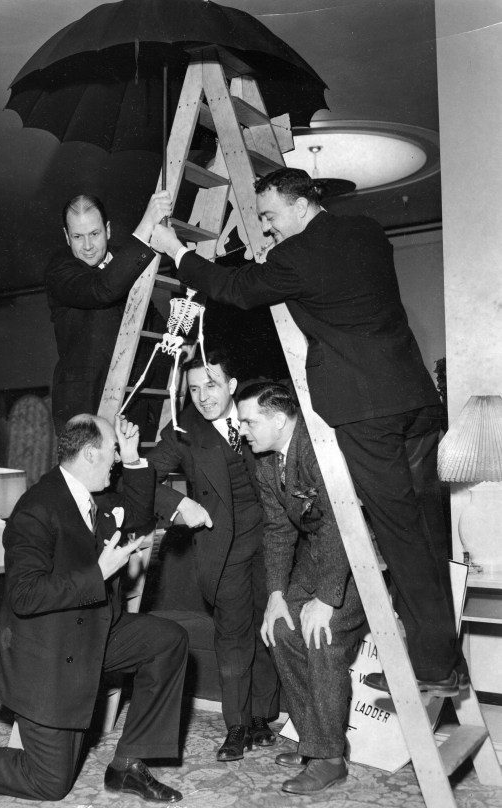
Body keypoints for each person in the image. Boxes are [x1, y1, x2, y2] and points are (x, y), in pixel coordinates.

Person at [149, 167, 463, 696]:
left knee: (398, 536)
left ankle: (432, 669)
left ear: (299, 206)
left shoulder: (295, 257)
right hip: (413, 398)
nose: (267, 228)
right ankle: (444, 659)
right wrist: (256, 251)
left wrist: (177, 251)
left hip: (367, 411)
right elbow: (288, 273)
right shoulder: (365, 231)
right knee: (425, 530)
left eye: (270, 216)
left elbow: (236, 289)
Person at [0, 413, 187, 803]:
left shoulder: (92, 495)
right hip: (49, 656)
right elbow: (25, 595)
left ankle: (127, 765)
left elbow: (140, 521)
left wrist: (132, 459)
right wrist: (98, 573)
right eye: (113, 451)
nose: (115, 460)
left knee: (167, 640)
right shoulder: (35, 508)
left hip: (94, 633)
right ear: (91, 454)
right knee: (50, 783)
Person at [148, 349, 280, 763]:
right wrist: (177, 504)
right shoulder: (183, 431)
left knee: (268, 630)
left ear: (232, 386)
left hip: (273, 541)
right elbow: (140, 480)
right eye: (194, 389)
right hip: (224, 548)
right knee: (234, 636)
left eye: (212, 385)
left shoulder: (257, 412)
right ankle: (237, 726)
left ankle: (263, 716)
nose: (203, 397)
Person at [237, 381, 364, 794]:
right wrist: (276, 596)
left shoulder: (317, 448)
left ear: (278, 419)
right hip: (317, 559)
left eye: (249, 421)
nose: (243, 430)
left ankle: (329, 758)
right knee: (279, 628)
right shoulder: (266, 463)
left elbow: (339, 524)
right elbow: (277, 532)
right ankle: (316, 741)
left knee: (321, 636)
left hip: (361, 560)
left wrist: (327, 600)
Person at [46, 190, 172, 434]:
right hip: (84, 407)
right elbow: (102, 289)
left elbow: (151, 321)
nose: (88, 246)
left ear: (108, 229)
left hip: (134, 404)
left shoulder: (126, 260)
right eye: (78, 236)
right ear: (66, 236)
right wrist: (147, 223)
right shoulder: (59, 268)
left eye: (95, 233)